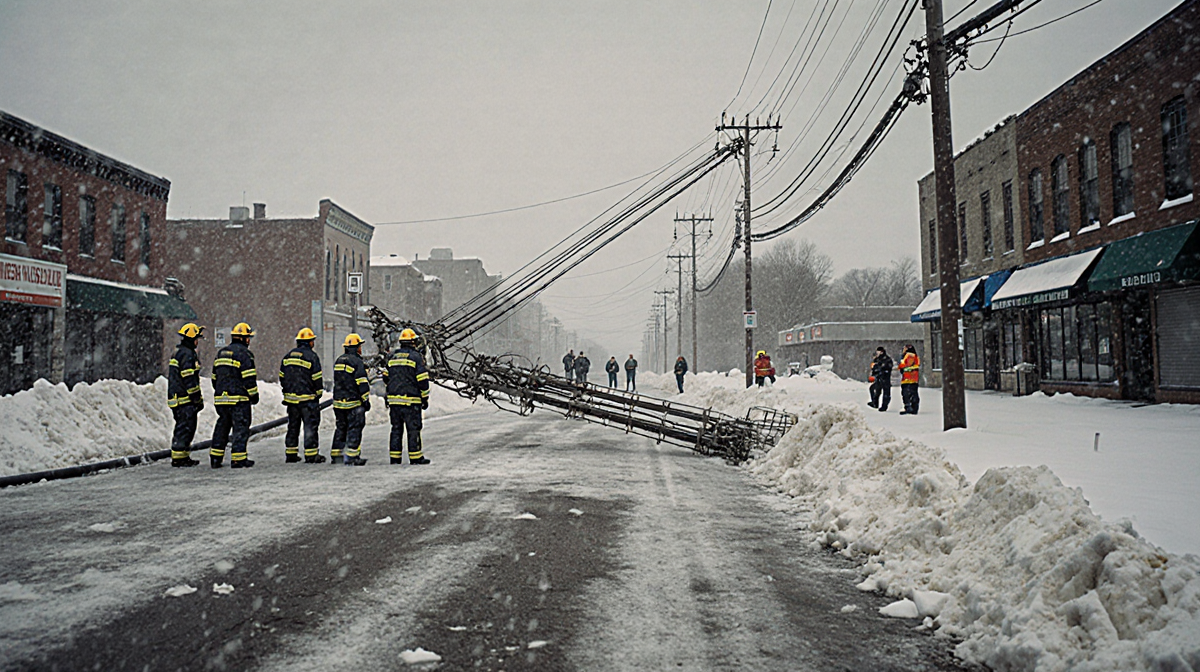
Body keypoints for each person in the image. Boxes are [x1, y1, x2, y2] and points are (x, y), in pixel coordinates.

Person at [210, 322, 259, 468]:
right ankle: (238, 459)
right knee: (240, 428)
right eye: (248, 337)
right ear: (244, 339)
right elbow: (249, 378)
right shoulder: (245, 355)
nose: (249, 341)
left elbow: (214, 378)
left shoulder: (221, 353)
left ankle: (215, 458)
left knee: (222, 427)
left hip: (221, 399)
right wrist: (254, 396)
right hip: (238, 399)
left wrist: (221, 391)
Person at [384, 328, 431, 465]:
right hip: (411, 401)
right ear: (413, 342)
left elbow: (386, 377)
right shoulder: (416, 357)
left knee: (396, 430)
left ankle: (395, 458)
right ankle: (416, 457)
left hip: (394, 402)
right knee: (413, 429)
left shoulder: (393, 356)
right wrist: (425, 398)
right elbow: (422, 380)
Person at [279, 327, 325, 463]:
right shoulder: (312, 357)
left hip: (292, 400)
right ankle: (311, 455)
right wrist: (318, 393)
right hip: (307, 400)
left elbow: (282, 376)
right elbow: (317, 378)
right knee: (310, 426)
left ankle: (291, 453)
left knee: (293, 426)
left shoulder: (288, 356)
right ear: (310, 342)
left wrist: (289, 391)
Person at [167, 323, 205, 467]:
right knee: (186, 427)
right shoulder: (187, 355)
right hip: (185, 400)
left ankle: (182, 456)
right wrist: (196, 398)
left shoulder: (178, 352)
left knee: (182, 427)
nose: (197, 342)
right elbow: (189, 378)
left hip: (177, 399)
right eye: (196, 338)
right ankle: (179, 458)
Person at [333, 334, 371, 466]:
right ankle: (352, 456)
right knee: (355, 427)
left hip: (338, 402)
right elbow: (362, 383)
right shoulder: (357, 362)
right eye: (360, 346)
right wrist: (365, 400)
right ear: (356, 347)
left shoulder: (339, 360)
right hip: (353, 402)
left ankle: (336, 455)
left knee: (341, 428)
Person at [897, 344, 921, 415]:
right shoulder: (915, 356)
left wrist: (901, 367)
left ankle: (909, 407)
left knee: (906, 393)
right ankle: (914, 407)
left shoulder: (909, 356)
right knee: (913, 393)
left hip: (908, 378)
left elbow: (904, 365)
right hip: (914, 378)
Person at [868, 346, 893, 412]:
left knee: (886, 392)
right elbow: (874, 368)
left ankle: (884, 406)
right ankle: (875, 403)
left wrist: (880, 370)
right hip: (879, 378)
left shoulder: (887, 359)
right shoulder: (877, 359)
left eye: (878, 352)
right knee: (874, 389)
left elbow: (887, 368)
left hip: (885, 378)